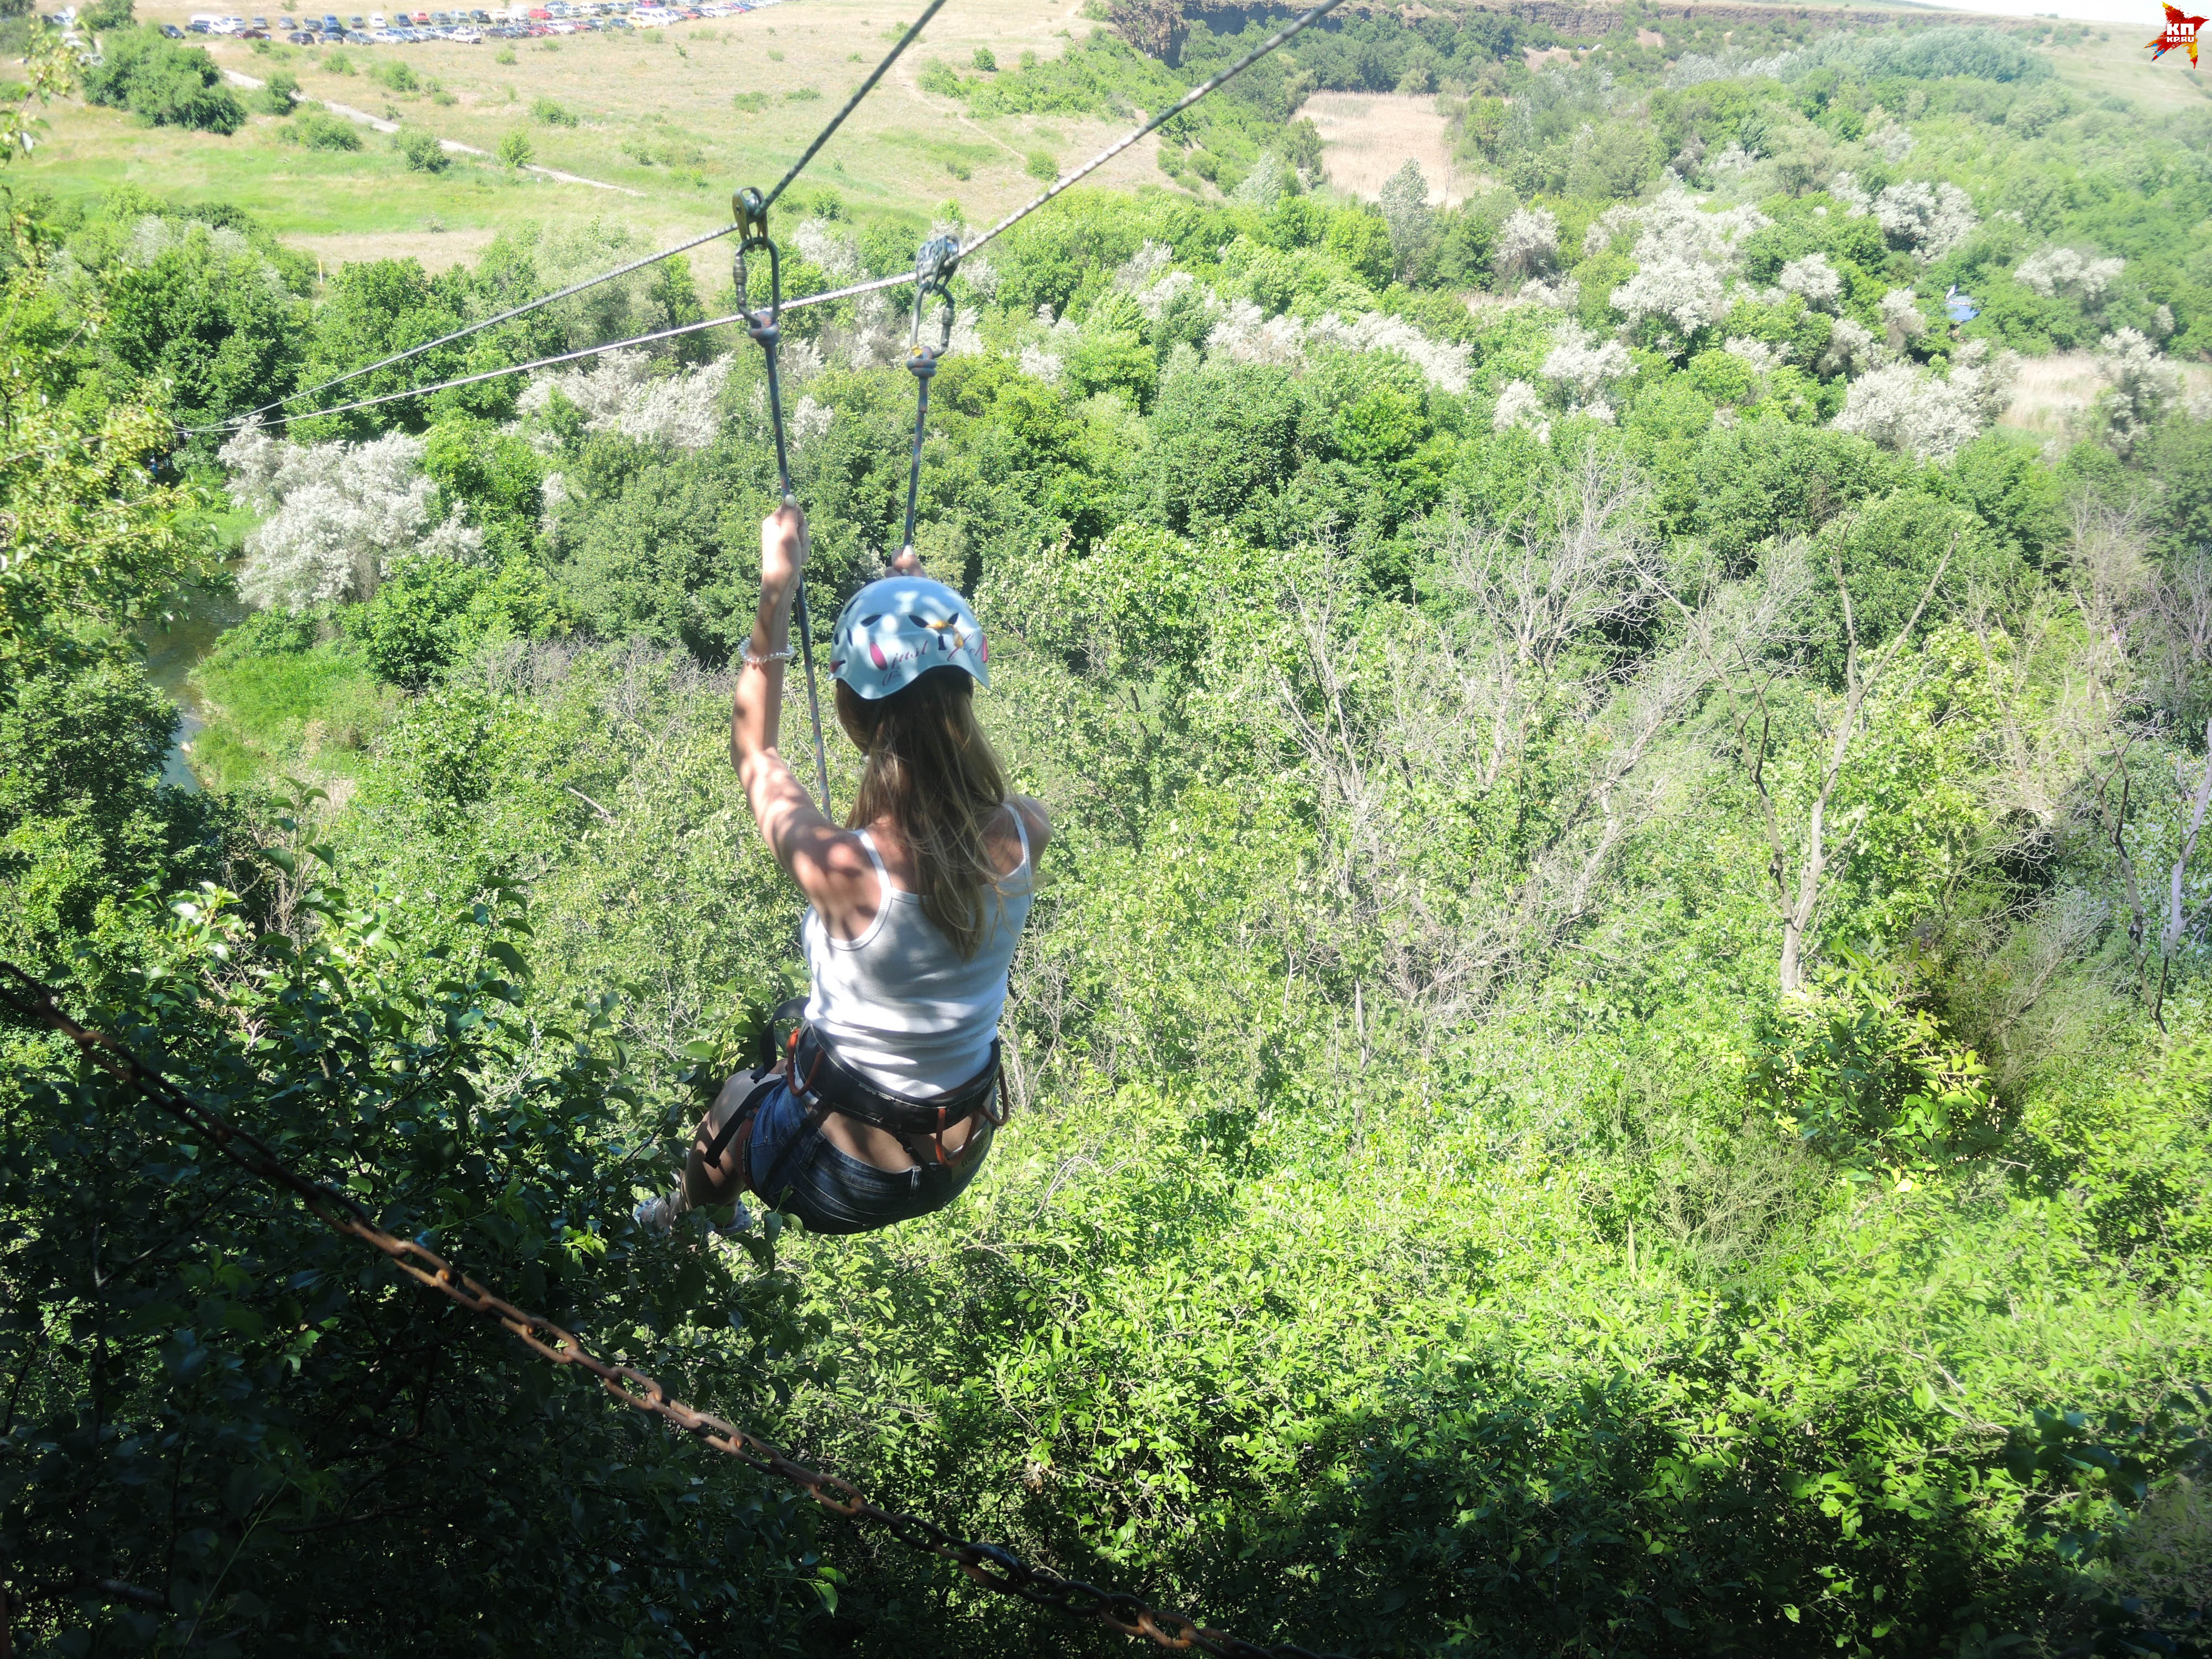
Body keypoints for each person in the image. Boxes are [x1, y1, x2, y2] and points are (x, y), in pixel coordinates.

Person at [638, 504, 1048, 1237]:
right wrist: (922, 614)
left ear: (855, 716)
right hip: (958, 1152)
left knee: (739, 1097)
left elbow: (754, 754)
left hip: (845, 1176)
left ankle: (683, 1222)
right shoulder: (1025, 830)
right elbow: (935, 725)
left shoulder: (842, 869)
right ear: (967, 692)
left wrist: (777, 587)